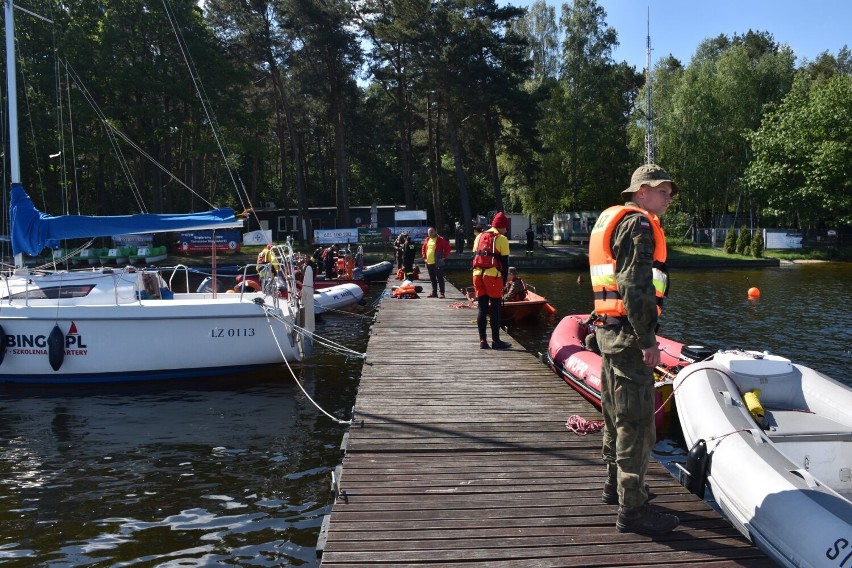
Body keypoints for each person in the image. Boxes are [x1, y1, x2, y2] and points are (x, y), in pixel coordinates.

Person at [589, 163, 679, 536]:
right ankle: (633, 509)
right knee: (637, 424)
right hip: (629, 337)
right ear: (641, 191)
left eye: (670, 191)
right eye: (663, 190)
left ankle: (616, 486)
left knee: (615, 414)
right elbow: (634, 283)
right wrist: (648, 341)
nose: (669, 197)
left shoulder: (618, 220)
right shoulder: (639, 224)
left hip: (610, 333)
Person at [471, 212, 511, 350]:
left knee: (482, 308)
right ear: (501, 227)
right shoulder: (501, 239)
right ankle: (496, 341)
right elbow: (505, 264)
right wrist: (504, 282)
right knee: (495, 308)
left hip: (477, 274)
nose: (506, 230)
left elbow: (475, 256)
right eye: (506, 227)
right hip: (492, 276)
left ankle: (482, 340)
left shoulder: (479, 237)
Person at [422, 227, 452, 298]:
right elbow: (423, 248)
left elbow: (448, 248)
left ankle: (442, 293)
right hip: (429, 262)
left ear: (435, 232)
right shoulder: (427, 239)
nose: (430, 233)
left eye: (432, 232)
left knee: (440, 278)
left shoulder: (440, 239)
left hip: (438, 263)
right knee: (432, 279)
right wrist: (424, 258)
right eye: (429, 232)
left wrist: (444, 257)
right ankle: (434, 292)